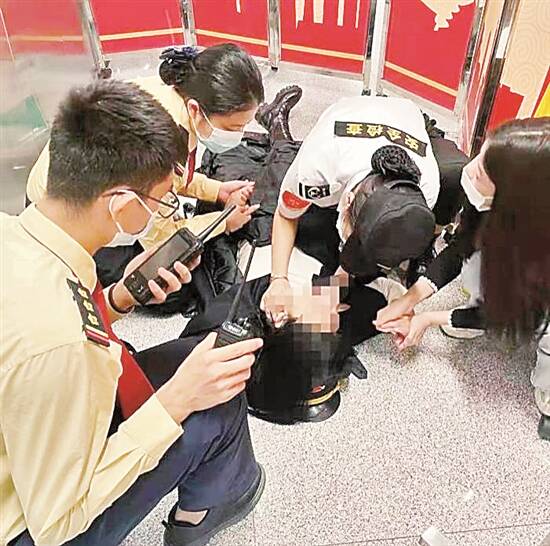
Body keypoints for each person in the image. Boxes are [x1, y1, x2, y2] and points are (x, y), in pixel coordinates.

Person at [0, 79, 265, 546]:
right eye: (162, 200)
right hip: (35, 523)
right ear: (123, 204)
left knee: (192, 364)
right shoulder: (60, 345)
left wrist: (120, 297)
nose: (163, 209)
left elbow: (62, 316)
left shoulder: (17, 235)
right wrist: (175, 401)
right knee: (212, 401)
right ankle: (203, 514)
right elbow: (57, 521)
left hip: (27, 438)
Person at [25, 43, 264, 291]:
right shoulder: (162, 143)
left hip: (59, 189)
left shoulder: (173, 97)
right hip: (63, 223)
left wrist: (216, 190)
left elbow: (172, 181)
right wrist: (223, 222)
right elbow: (160, 236)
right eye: (233, 128)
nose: (239, 136)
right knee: (170, 285)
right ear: (195, 109)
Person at [374, 117, 550, 441]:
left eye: (482, 171)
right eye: (480, 155)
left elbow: (507, 313)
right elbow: (460, 248)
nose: (470, 169)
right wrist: (410, 298)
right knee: (480, 267)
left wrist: (427, 319)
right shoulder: (485, 195)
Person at [260, 90, 441, 324]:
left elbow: (363, 254)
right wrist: (278, 280)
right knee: (281, 167)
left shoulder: (425, 191)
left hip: (404, 114)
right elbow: (286, 215)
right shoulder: (317, 167)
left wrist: (336, 288)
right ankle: (274, 121)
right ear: (345, 203)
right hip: (347, 114)